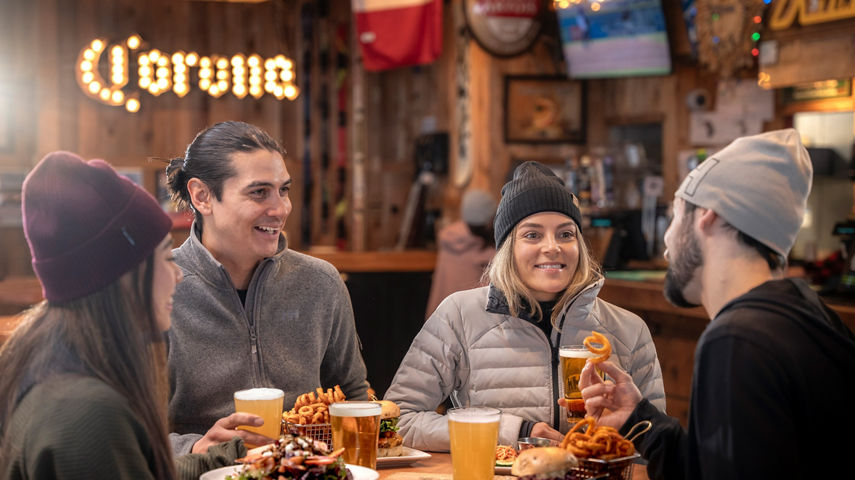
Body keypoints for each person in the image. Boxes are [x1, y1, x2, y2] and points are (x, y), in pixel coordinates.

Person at [578, 129, 855, 479]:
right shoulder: (812, 314)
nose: (666, 240)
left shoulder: (737, 340)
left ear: (707, 216)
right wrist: (639, 418)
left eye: (675, 216)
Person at [384, 161, 665, 452]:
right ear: (508, 247)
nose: (553, 246)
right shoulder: (459, 316)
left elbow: (657, 448)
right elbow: (399, 420)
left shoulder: (628, 329)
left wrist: (625, 429)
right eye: (532, 234)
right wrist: (513, 431)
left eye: (566, 234)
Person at [0, 151, 244, 479]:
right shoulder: (86, 414)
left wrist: (227, 457)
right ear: (123, 275)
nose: (178, 275)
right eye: (164, 257)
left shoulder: (46, 359)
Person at [164, 121, 370, 455]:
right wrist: (195, 449)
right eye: (259, 192)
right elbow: (126, 432)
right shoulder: (154, 288)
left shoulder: (321, 281)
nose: (280, 209)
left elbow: (354, 397)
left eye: (284, 190)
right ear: (202, 196)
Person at [425, 189, 497, 318]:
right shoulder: (487, 254)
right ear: (488, 221)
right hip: (465, 322)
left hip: (438, 315)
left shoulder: (450, 238)